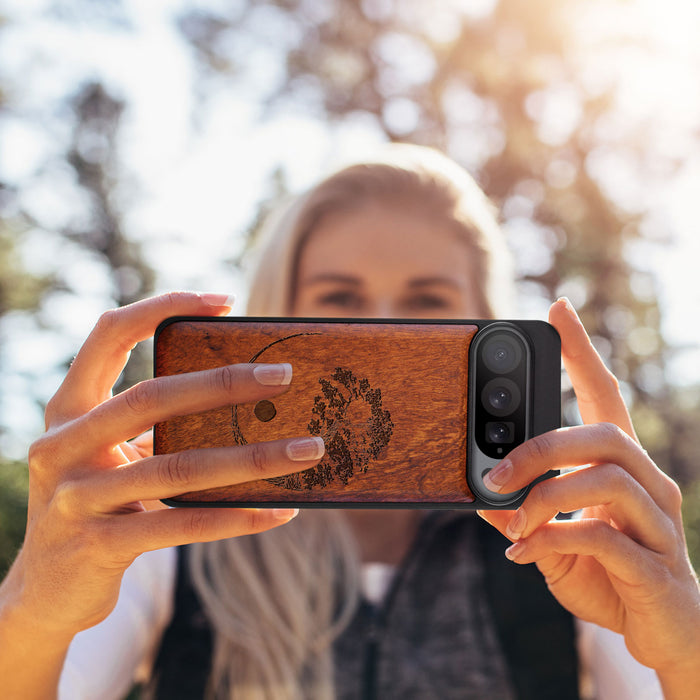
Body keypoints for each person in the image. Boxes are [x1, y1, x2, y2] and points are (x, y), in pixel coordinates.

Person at [0, 145, 698, 700]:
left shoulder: (567, 544)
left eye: (427, 302)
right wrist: (34, 607)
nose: (384, 327)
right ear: (279, 313)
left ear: (486, 323)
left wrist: (685, 648)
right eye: (340, 298)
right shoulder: (171, 536)